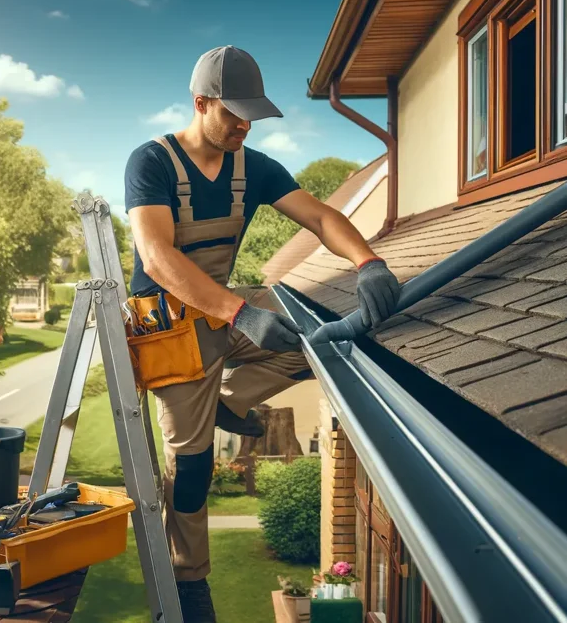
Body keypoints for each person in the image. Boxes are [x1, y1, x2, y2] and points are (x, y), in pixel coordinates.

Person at [124, 45, 401, 622]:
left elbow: (322, 217)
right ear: (201, 103)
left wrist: (368, 262)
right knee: (193, 466)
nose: (244, 125)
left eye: (252, 115)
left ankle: (230, 399)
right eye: (234, 113)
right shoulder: (151, 162)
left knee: (320, 336)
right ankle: (187, 579)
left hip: (223, 311)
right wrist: (241, 314)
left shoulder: (253, 168)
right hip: (169, 329)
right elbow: (156, 257)